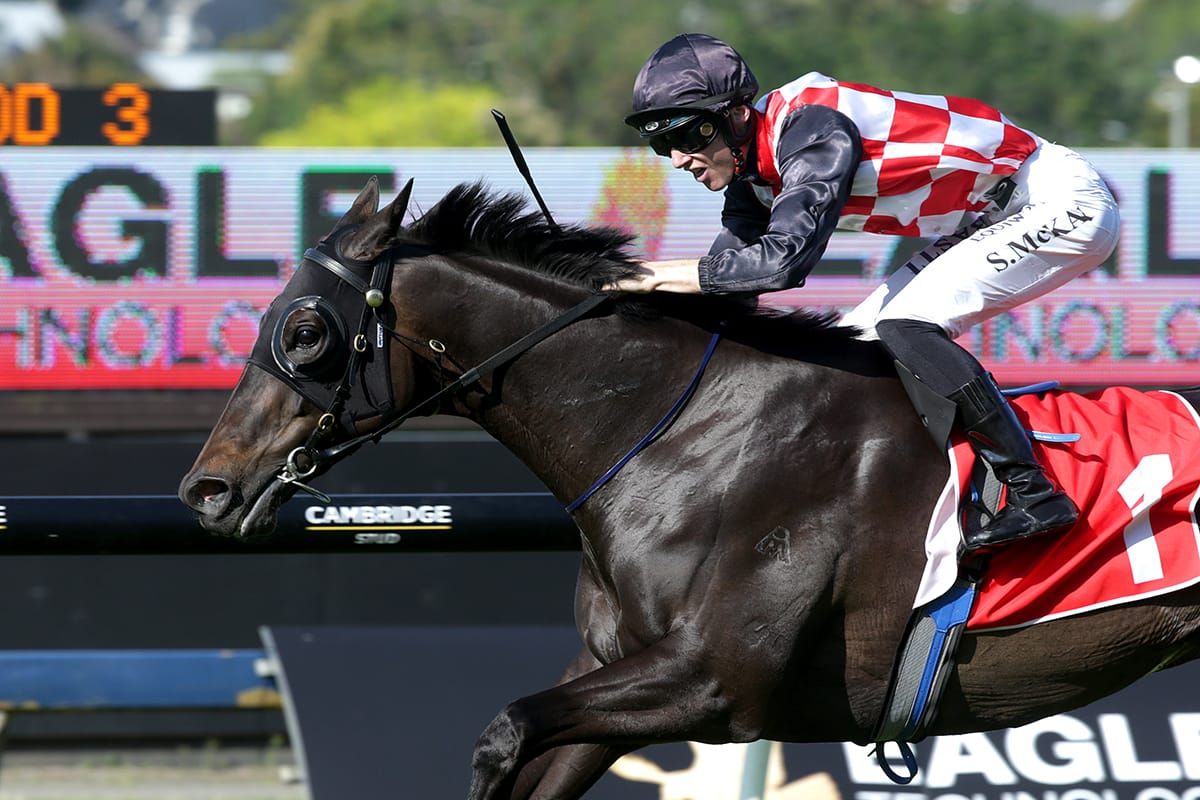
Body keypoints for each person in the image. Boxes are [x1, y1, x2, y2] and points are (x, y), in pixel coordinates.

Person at [609, 32, 1121, 553]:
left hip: (1058, 201)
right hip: (990, 212)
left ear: (737, 115)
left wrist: (646, 275)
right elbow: (726, 287)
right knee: (851, 346)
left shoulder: (812, 128)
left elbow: (782, 263)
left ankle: (1034, 493)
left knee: (905, 325)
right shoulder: (750, 170)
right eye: (661, 144)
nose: (677, 158)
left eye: (690, 136)